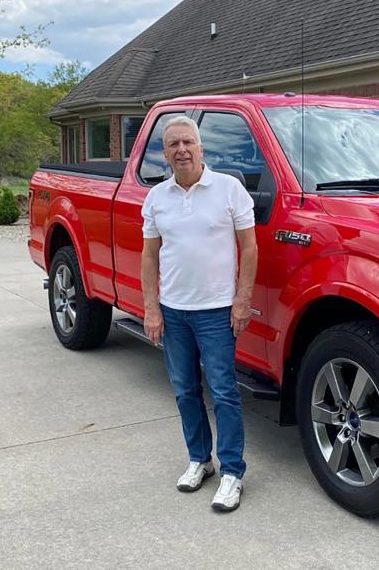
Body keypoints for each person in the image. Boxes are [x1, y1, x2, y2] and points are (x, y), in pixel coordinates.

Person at [140, 115, 258, 513]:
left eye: (188, 142)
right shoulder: (157, 198)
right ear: (165, 152)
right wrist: (151, 308)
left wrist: (242, 301)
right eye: (173, 144)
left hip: (216, 312)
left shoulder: (229, 189)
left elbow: (250, 248)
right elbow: (150, 255)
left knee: (224, 392)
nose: (182, 150)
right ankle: (199, 461)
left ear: (202, 147)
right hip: (173, 314)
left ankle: (232, 473)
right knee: (185, 391)